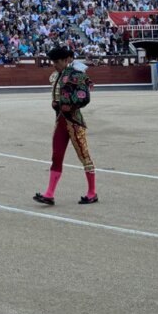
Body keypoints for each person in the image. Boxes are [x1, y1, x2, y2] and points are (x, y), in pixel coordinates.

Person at [34, 46, 98, 206]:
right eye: (53, 62)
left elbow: (84, 96)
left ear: (65, 60)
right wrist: (56, 104)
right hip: (60, 121)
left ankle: (92, 193)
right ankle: (49, 194)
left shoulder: (76, 74)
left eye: (57, 62)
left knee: (84, 156)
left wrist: (69, 105)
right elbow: (58, 98)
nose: (54, 65)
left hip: (74, 121)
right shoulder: (56, 76)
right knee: (56, 156)